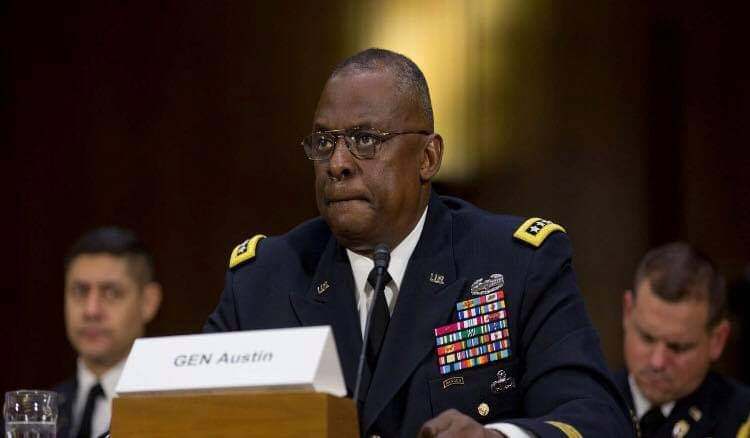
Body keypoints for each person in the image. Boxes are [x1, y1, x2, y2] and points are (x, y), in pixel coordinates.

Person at [205, 48, 634, 437]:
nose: (337, 164)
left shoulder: (517, 266)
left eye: (365, 140)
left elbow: (597, 419)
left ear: (428, 158)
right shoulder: (264, 279)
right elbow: (191, 415)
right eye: (324, 142)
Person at [615, 242, 750, 437]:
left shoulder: (742, 421)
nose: (657, 362)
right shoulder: (583, 405)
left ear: (717, 340)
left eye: (678, 347)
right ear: (628, 312)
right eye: (647, 338)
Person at [54, 227, 162, 438]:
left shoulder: (171, 409)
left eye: (112, 293)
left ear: (148, 302)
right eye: (80, 291)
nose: (91, 310)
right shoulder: (35, 413)